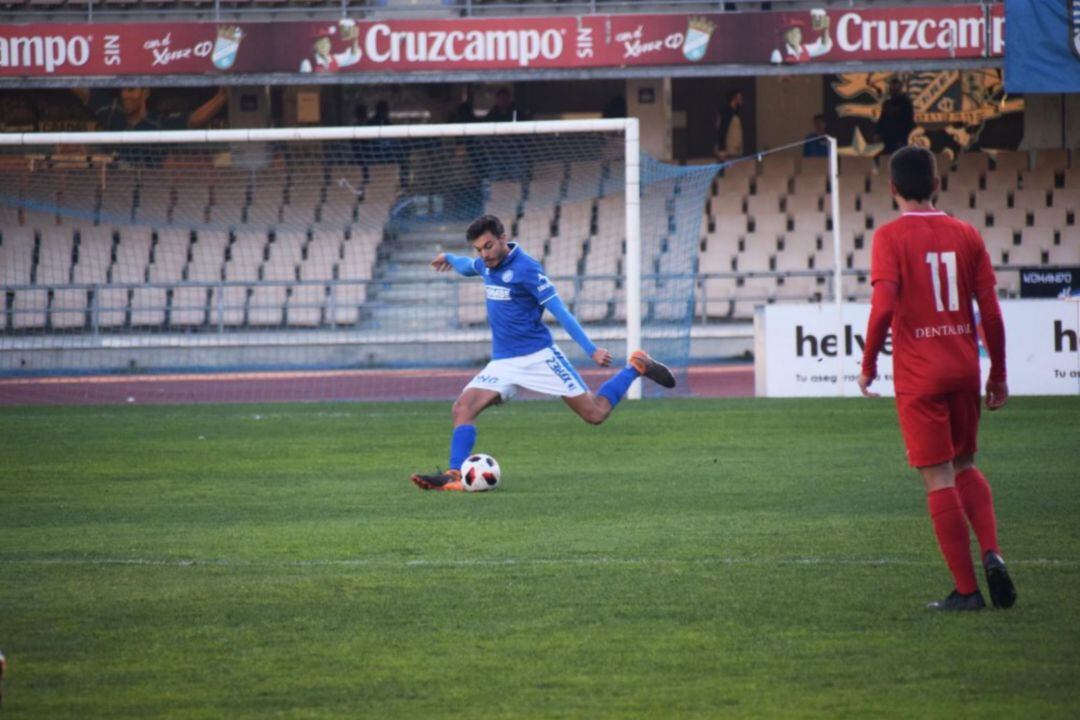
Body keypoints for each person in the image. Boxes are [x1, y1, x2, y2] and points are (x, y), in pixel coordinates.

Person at [410, 215, 677, 491]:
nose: (484, 254)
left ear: (503, 238)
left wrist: (591, 350)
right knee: (462, 408)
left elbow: (560, 310)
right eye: (479, 249)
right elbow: (468, 267)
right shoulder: (487, 265)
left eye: (488, 246)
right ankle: (456, 473)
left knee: (595, 414)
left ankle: (636, 365)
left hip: (539, 357)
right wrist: (450, 257)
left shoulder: (526, 269)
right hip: (503, 362)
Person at [858, 146, 1016, 612]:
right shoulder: (966, 234)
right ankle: (993, 550)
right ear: (937, 185)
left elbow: (884, 306)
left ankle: (967, 591)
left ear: (892, 190)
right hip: (964, 367)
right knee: (966, 464)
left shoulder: (889, 238)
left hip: (919, 374)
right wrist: (999, 374)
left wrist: (868, 363)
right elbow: (991, 312)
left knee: (938, 476)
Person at [71, 86, 227, 132]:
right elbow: (84, 92)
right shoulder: (112, 113)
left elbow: (193, 120)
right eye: (123, 90)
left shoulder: (158, 124)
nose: (125, 96)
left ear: (145, 93)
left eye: (131, 90)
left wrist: (221, 97)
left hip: (152, 183)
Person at [875, 77, 916, 154]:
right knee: (880, 158)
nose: (893, 92)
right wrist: (878, 133)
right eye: (891, 90)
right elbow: (882, 119)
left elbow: (909, 122)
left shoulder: (906, 103)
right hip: (888, 140)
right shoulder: (887, 104)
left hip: (901, 141)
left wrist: (903, 140)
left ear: (900, 90)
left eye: (896, 90)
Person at [714, 89, 744, 162]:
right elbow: (722, 128)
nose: (741, 99)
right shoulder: (727, 111)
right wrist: (722, 147)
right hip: (725, 145)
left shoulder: (735, 111)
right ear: (734, 98)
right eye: (739, 97)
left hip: (732, 145)